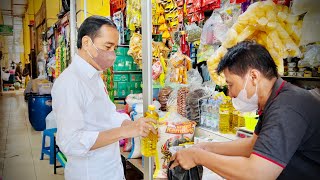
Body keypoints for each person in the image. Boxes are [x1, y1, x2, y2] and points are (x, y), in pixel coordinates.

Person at [170, 41, 320, 179]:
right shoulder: (275, 98)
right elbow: (253, 145)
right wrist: (206, 147)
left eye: (230, 84)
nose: (230, 94)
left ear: (253, 76)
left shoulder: (286, 108)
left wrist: (198, 156)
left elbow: (257, 174)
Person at [51, 16, 156, 180]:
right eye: (108, 46)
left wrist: (132, 125)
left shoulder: (94, 77)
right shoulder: (69, 83)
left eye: (114, 48)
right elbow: (71, 142)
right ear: (86, 43)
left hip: (110, 169)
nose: (112, 54)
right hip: (90, 174)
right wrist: (124, 131)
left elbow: (108, 115)